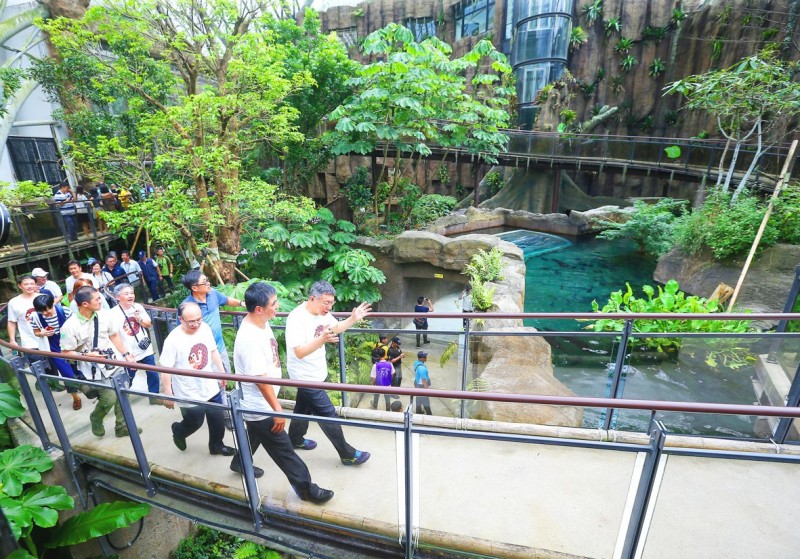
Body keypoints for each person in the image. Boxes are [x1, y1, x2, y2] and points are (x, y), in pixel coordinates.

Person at [230, 282, 334, 504]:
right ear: (259, 309)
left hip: (258, 404)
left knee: (256, 434)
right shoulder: (250, 338)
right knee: (284, 451)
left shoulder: (261, 323)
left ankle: (239, 461)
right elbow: (260, 380)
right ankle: (306, 490)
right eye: (274, 304)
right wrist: (277, 410)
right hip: (260, 406)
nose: (278, 307)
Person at [285, 280, 371, 465]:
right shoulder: (296, 318)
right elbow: (299, 352)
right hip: (304, 376)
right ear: (312, 299)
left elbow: (335, 328)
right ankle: (347, 453)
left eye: (332, 303)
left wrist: (353, 318)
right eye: (326, 303)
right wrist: (322, 339)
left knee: (303, 407)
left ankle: (295, 438)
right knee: (328, 414)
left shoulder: (322, 313)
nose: (329, 307)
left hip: (316, 372)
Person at [59, 286, 139, 438]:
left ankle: (122, 426)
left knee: (123, 393)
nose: (101, 301)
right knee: (109, 398)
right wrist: (87, 355)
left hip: (113, 363)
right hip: (93, 370)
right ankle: (96, 417)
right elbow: (65, 352)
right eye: (97, 299)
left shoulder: (104, 316)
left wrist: (126, 354)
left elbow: (114, 335)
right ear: (85, 304)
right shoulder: (69, 326)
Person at [159, 302, 236, 457]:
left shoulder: (205, 328)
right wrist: (168, 392)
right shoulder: (173, 340)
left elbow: (213, 351)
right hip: (188, 389)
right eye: (191, 321)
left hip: (209, 384)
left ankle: (216, 445)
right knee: (195, 422)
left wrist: (221, 373)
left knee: (217, 418)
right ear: (180, 319)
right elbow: (165, 367)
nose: (196, 324)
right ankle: (179, 431)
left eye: (198, 319)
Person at [181, 270, 245, 375]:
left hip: (220, 347)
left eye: (207, 280)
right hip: (203, 353)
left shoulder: (213, 294)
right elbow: (182, 332)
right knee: (215, 382)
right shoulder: (187, 308)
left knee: (226, 375)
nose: (208, 284)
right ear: (194, 288)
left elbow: (227, 300)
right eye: (204, 282)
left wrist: (241, 303)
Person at [30, 293, 83, 410]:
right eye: (41, 311)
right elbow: (36, 332)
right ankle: (76, 397)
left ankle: (87, 387)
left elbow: (77, 326)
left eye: (47, 309)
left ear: (52, 304)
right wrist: (42, 333)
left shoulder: (65, 311)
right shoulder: (35, 316)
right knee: (67, 374)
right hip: (54, 349)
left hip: (70, 345)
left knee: (78, 368)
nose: (44, 313)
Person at [110, 284, 159, 402]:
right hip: (129, 353)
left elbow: (149, 324)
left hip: (144, 348)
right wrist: (125, 353)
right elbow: (113, 336)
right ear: (117, 297)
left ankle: (154, 397)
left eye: (132, 293)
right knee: (128, 378)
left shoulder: (138, 307)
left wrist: (139, 319)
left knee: (153, 374)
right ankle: (122, 399)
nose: (130, 296)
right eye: (126, 294)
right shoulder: (112, 313)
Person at [7, 275, 45, 353]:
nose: (29, 286)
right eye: (26, 284)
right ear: (20, 286)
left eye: (32, 284)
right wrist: (12, 340)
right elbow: (11, 321)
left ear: (35, 285)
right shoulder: (13, 302)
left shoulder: (44, 298)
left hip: (48, 339)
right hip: (30, 343)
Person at [413, 351, 432, 415]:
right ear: (420, 358)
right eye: (424, 357)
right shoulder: (422, 368)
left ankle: (418, 411)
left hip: (417, 382)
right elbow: (424, 380)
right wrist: (426, 389)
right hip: (422, 385)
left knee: (418, 398)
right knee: (426, 401)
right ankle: (429, 413)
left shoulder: (416, 362)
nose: (426, 357)